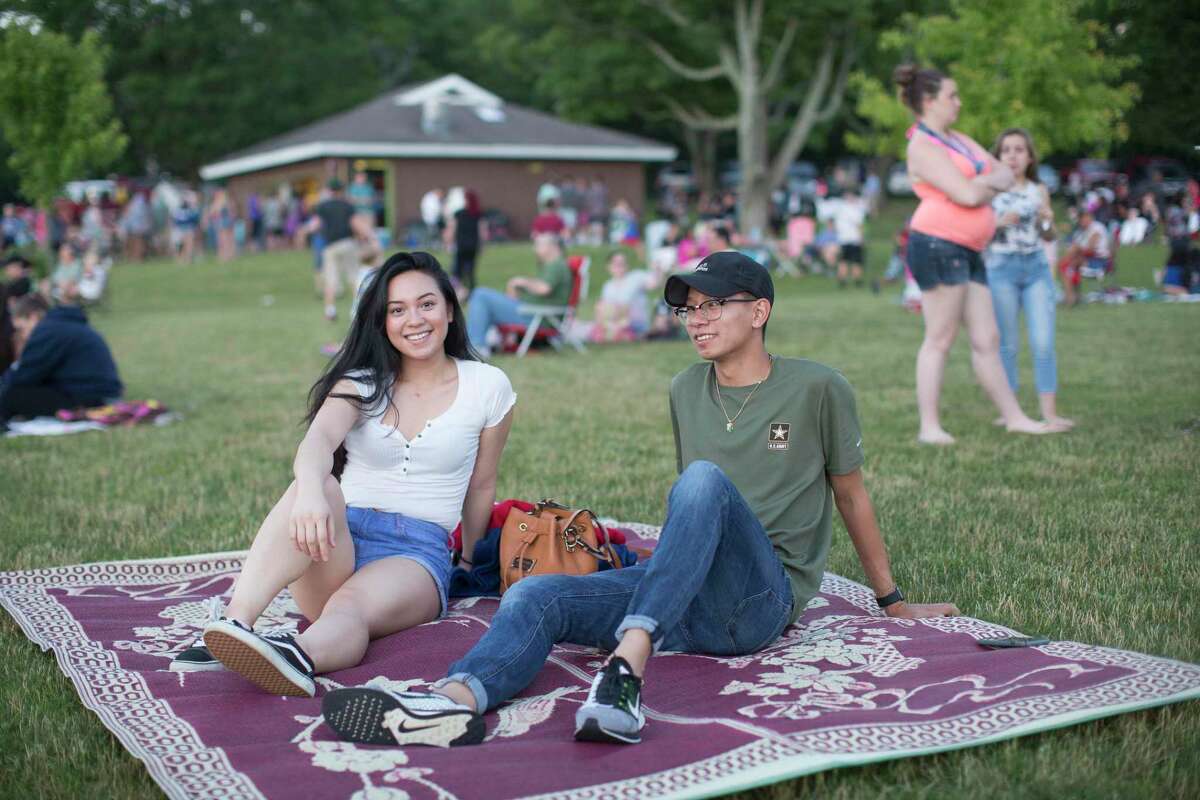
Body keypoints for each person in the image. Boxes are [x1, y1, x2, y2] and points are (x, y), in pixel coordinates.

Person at [320, 251, 958, 749]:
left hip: (759, 600)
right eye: (688, 309)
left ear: (759, 312)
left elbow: (851, 495)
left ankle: (627, 669)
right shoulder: (685, 389)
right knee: (534, 593)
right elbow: (691, 519)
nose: (696, 320)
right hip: (680, 597)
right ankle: (453, 705)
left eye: (713, 305)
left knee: (702, 479)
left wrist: (892, 601)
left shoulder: (820, 388)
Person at [178, 252, 516, 697]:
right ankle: (234, 624)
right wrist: (313, 495)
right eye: (397, 310)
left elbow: (482, 484)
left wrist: (470, 561)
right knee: (314, 485)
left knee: (350, 606)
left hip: (414, 554)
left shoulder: (487, 385)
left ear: (450, 310)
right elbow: (316, 443)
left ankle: (295, 655)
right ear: (382, 322)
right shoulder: (361, 381)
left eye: (426, 304)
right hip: (337, 539)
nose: (414, 319)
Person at [896, 64, 1059, 444]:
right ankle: (929, 427)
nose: (959, 102)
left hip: (970, 248)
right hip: (937, 245)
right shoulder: (921, 146)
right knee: (939, 337)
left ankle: (1015, 417)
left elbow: (1003, 173)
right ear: (929, 101)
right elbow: (968, 195)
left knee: (987, 338)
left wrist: (978, 183)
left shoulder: (959, 139)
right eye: (952, 96)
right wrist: (982, 184)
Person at [985, 128, 1074, 430]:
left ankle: (1049, 413)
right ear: (997, 156)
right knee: (1007, 344)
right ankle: (1010, 413)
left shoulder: (1039, 190)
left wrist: (1047, 218)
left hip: (1036, 268)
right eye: (1006, 149)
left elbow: (1049, 234)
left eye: (1019, 149)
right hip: (1000, 269)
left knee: (1043, 343)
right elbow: (976, 234)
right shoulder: (988, 191)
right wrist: (997, 223)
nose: (1012, 155)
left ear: (1030, 157)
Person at [0, 293, 123, 425]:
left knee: (12, 396)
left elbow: (24, 377)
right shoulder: (62, 326)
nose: (22, 336)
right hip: (102, 394)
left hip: (95, 399)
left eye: (21, 329)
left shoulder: (48, 331)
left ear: (33, 317)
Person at [464, 234, 573, 359]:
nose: (535, 248)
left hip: (537, 316)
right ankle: (479, 344)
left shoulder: (556, 265)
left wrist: (520, 282)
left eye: (539, 244)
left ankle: (477, 346)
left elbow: (544, 288)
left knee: (481, 294)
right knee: (484, 300)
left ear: (553, 247)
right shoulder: (552, 265)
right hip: (532, 312)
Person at [304, 180, 364, 322]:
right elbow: (355, 223)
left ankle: (330, 311)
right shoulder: (348, 206)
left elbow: (315, 224)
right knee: (354, 278)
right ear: (342, 191)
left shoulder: (323, 206)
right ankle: (358, 312)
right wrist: (367, 236)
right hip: (348, 244)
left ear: (329, 191)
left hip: (330, 247)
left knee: (330, 280)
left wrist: (303, 231)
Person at [592, 251, 656, 342]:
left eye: (622, 263)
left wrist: (656, 269)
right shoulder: (608, 286)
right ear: (609, 266)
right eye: (616, 263)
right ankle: (611, 332)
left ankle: (617, 333)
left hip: (634, 322)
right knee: (600, 307)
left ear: (627, 265)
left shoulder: (636, 277)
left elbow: (654, 284)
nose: (619, 266)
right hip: (617, 321)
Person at [1057, 207, 1109, 306]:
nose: (1083, 221)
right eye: (1081, 218)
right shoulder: (1080, 231)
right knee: (1065, 265)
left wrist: (1076, 249)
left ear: (1091, 218)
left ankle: (1071, 297)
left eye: (1086, 218)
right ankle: (1073, 296)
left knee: (1068, 265)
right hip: (1084, 259)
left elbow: (1091, 248)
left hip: (1098, 260)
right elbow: (1072, 247)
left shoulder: (1097, 228)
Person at [445, 189, 485, 292]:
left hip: (461, 245)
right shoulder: (478, 214)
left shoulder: (458, 214)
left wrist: (449, 243)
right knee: (471, 270)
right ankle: (471, 289)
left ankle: (457, 290)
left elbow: (452, 230)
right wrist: (482, 246)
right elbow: (482, 232)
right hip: (473, 245)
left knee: (457, 269)